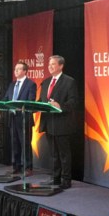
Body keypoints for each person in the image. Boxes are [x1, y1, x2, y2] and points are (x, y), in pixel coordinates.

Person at [38, 55, 78, 189]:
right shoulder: (46, 81)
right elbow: (41, 101)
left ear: (61, 66)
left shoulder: (69, 81)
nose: (50, 66)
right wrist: (32, 106)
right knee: (53, 154)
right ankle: (55, 178)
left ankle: (66, 180)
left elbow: (73, 102)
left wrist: (60, 105)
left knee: (64, 154)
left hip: (62, 123)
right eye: (49, 64)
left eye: (53, 64)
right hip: (48, 123)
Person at [4, 62, 37, 175]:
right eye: (15, 69)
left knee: (25, 144)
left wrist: (20, 107)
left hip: (24, 119)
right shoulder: (12, 84)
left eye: (18, 69)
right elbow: (6, 99)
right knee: (15, 143)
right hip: (12, 118)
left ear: (24, 71)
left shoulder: (31, 84)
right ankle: (16, 166)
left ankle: (28, 167)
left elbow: (31, 101)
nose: (16, 71)